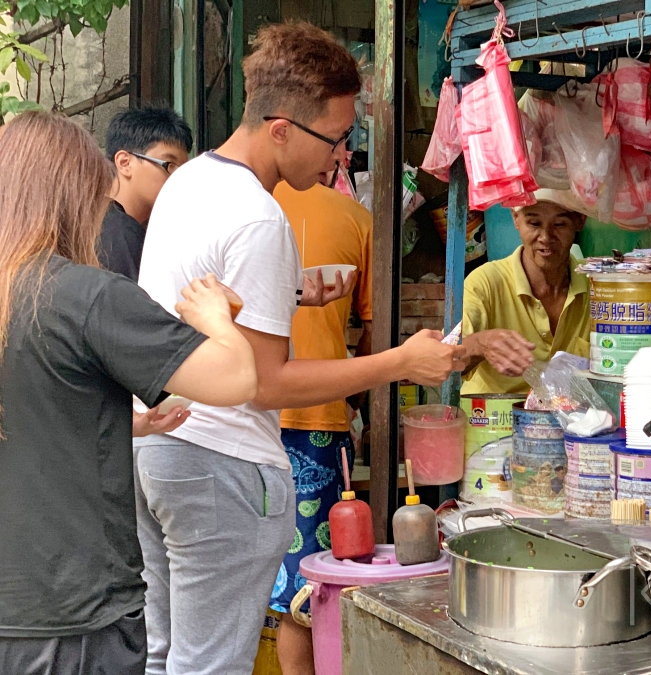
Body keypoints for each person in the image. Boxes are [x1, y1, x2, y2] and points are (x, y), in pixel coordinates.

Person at [136, 22, 466, 674]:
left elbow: (200, 303)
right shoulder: (261, 218)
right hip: (218, 460)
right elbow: (264, 381)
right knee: (208, 664)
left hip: (156, 451)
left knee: (164, 654)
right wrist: (400, 361)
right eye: (336, 138)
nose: (343, 156)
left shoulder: (190, 181)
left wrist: (292, 292)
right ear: (281, 127)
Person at [0, 112, 258, 675]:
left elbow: (35, 407)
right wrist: (217, 317)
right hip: (75, 615)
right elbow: (237, 379)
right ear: (77, 196)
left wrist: (121, 421)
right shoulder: (83, 294)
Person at [268, 178, 373, 675]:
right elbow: (373, 331)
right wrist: (352, 399)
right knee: (309, 588)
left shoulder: (233, 204)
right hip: (316, 422)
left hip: (235, 416)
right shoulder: (355, 218)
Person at [461, 189, 592, 394]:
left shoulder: (599, 286)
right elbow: (446, 358)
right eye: (534, 223)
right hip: (491, 420)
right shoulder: (485, 283)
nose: (546, 237)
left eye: (559, 224)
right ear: (515, 219)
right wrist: (480, 344)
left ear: (580, 221)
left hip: (576, 422)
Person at [98, 107, 193, 281]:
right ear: (124, 163)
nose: (178, 178)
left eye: (183, 169)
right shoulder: (118, 233)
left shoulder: (96, 220)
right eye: (169, 165)